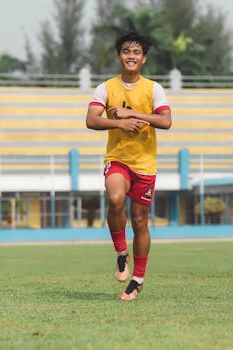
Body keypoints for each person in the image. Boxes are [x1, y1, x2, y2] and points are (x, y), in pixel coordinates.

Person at [85, 30, 172, 301]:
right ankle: (121, 254)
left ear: (143, 59)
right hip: (118, 159)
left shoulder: (154, 89)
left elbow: (166, 121)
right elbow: (91, 120)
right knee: (114, 198)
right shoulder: (106, 87)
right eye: (126, 51)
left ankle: (137, 279)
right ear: (119, 56)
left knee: (140, 221)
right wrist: (120, 123)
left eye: (136, 52)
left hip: (145, 165)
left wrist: (133, 113)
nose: (130, 56)